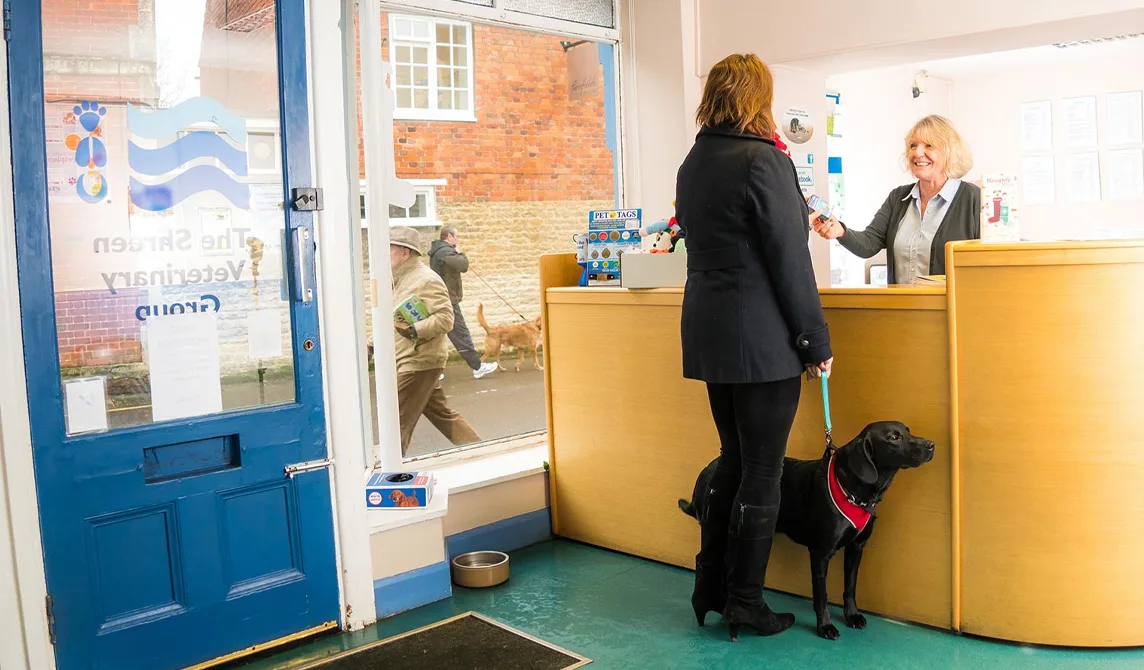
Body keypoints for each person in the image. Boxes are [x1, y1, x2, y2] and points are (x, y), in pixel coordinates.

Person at [676, 53, 833, 641]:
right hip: (762, 340)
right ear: (758, 98)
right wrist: (815, 340)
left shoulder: (696, 160)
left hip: (712, 333)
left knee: (734, 460)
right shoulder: (763, 159)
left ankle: (709, 584)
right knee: (762, 470)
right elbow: (790, 262)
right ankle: (745, 601)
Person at [811, 115, 981, 284]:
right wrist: (840, 231)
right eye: (913, 146)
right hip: (903, 308)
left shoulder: (974, 198)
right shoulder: (898, 197)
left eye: (928, 145)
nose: (917, 153)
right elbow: (870, 243)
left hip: (953, 310)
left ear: (949, 152)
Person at [390, 226, 481, 455]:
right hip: (412, 358)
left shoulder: (426, 279)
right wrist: (372, 343)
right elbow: (393, 318)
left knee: (394, 421)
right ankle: (479, 451)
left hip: (419, 360)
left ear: (405, 253)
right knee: (443, 415)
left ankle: (388, 472)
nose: (382, 255)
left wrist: (413, 330)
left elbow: (445, 319)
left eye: (388, 249)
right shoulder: (400, 278)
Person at [429, 226, 498, 380]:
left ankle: (433, 371)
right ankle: (478, 367)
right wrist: (460, 252)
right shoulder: (445, 252)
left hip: (440, 298)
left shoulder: (438, 251)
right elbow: (463, 266)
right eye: (456, 236)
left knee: (437, 335)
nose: (458, 239)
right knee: (460, 333)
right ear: (449, 236)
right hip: (447, 300)